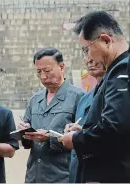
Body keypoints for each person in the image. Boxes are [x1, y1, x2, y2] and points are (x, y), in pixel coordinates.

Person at [59, 11, 130, 183]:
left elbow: (114, 127)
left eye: (86, 49)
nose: (88, 57)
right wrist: (85, 131)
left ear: (106, 40)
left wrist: (76, 139)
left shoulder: (122, 70)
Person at [17, 47, 84, 183]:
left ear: (61, 67)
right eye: (39, 72)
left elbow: (83, 138)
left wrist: (50, 137)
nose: (43, 76)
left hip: (63, 176)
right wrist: (23, 132)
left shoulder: (78, 97)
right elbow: (27, 143)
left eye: (47, 71)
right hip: (34, 176)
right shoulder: (35, 99)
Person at [64, 57, 105, 183]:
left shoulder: (117, 94)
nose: (90, 60)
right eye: (86, 53)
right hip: (79, 170)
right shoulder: (84, 99)